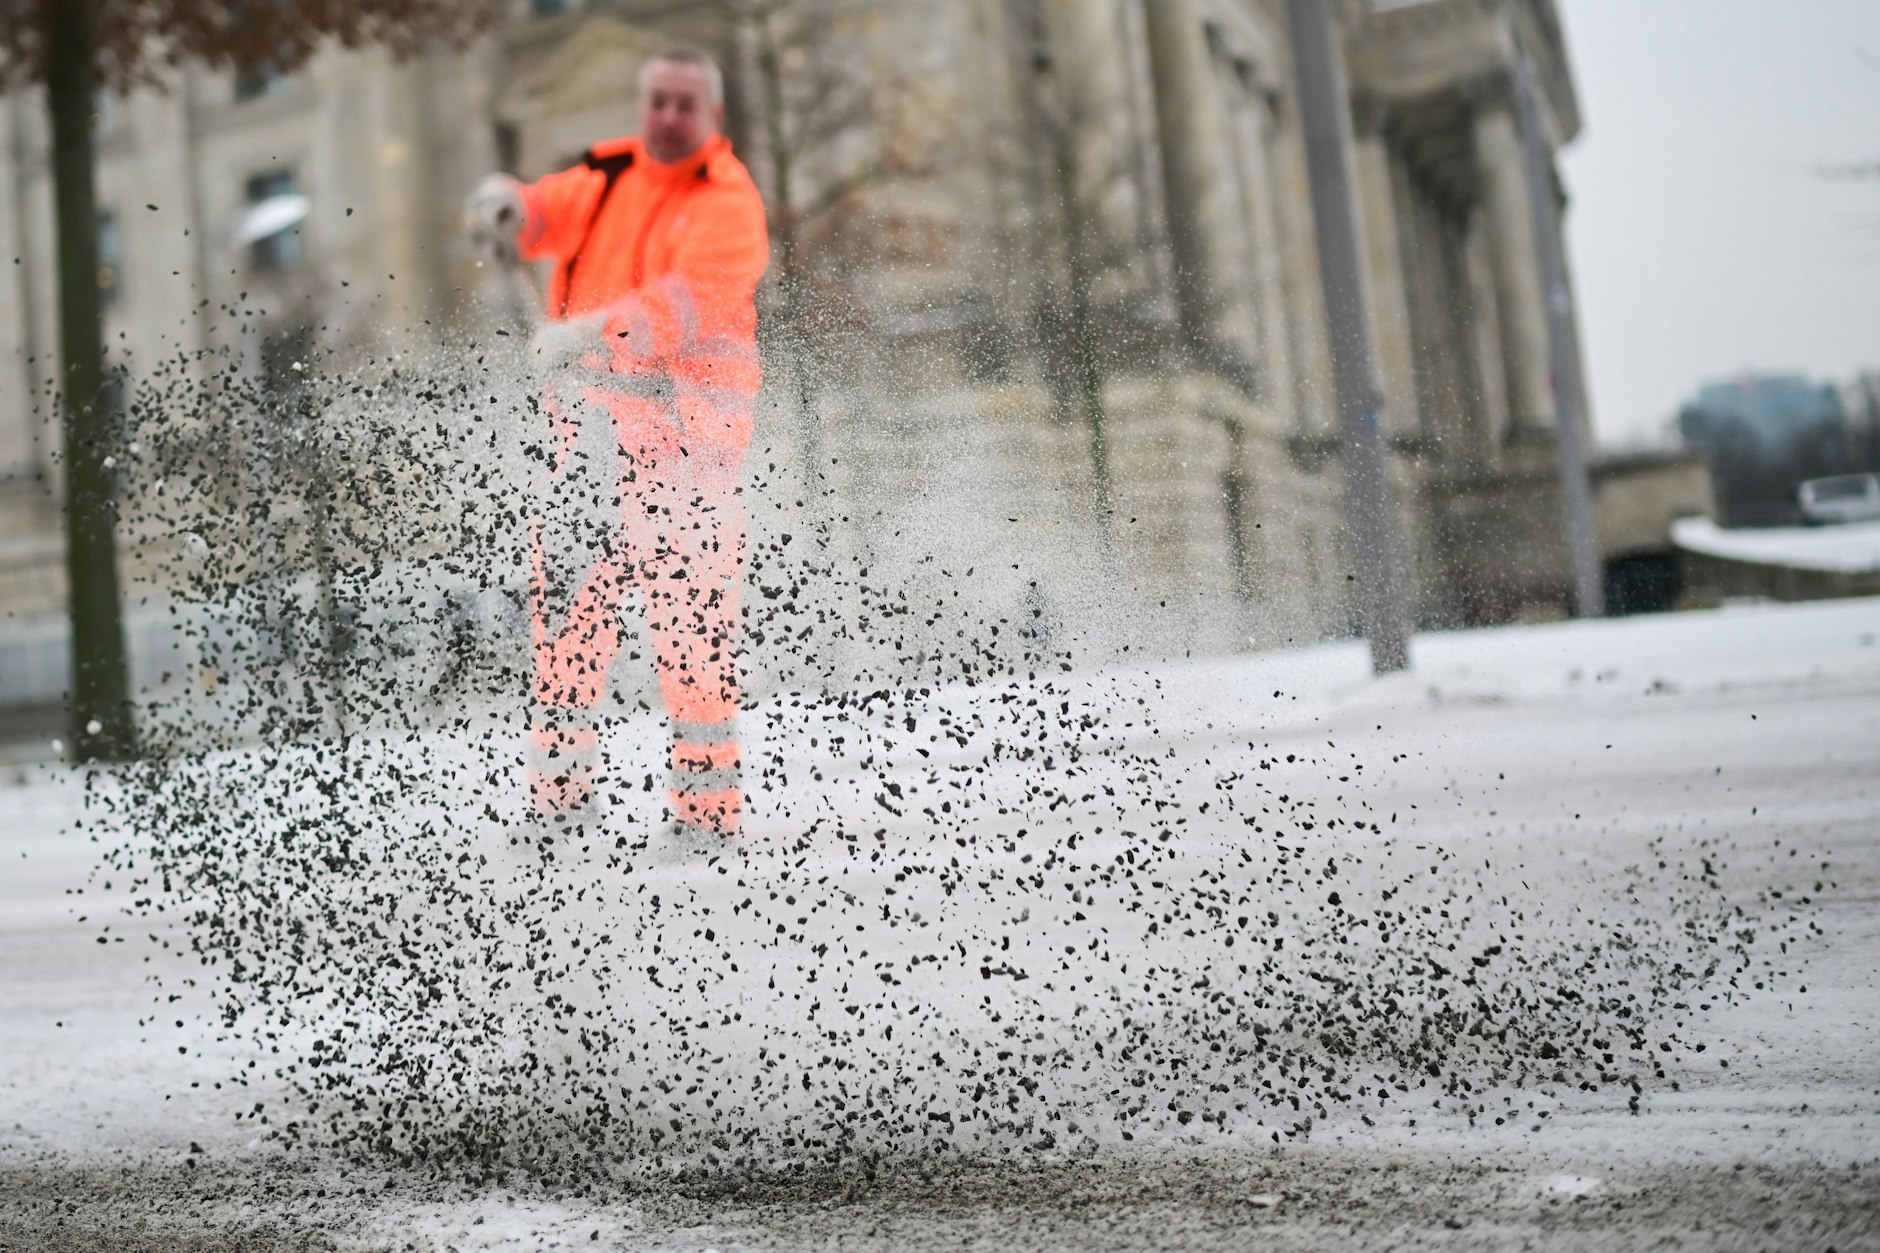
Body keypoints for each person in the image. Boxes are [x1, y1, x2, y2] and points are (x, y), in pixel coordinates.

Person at [464, 48, 769, 850]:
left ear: (713, 117)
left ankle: (707, 816)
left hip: (685, 457)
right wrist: (507, 208)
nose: (668, 116)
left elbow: (689, 300)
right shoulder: (607, 178)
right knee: (564, 627)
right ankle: (559, 803)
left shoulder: (727, 202)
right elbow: (544, 211)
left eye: (685, 104)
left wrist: (594, 330)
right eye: (658, 102)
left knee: (692, 635)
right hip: (591, 447)